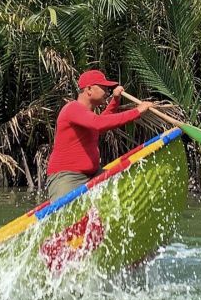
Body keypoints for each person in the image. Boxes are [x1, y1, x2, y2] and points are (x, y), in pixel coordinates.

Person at [46, 69, 152, 201]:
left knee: (122, 194)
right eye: (104, 88)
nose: (107, 92)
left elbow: (98, 124)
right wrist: (137, 111)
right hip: (67, 177)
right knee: (66, 219)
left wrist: (116, 99)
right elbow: (98, 123)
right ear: (89, 89)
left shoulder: (87, 116)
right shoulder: (73, 108)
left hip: (92, 175)